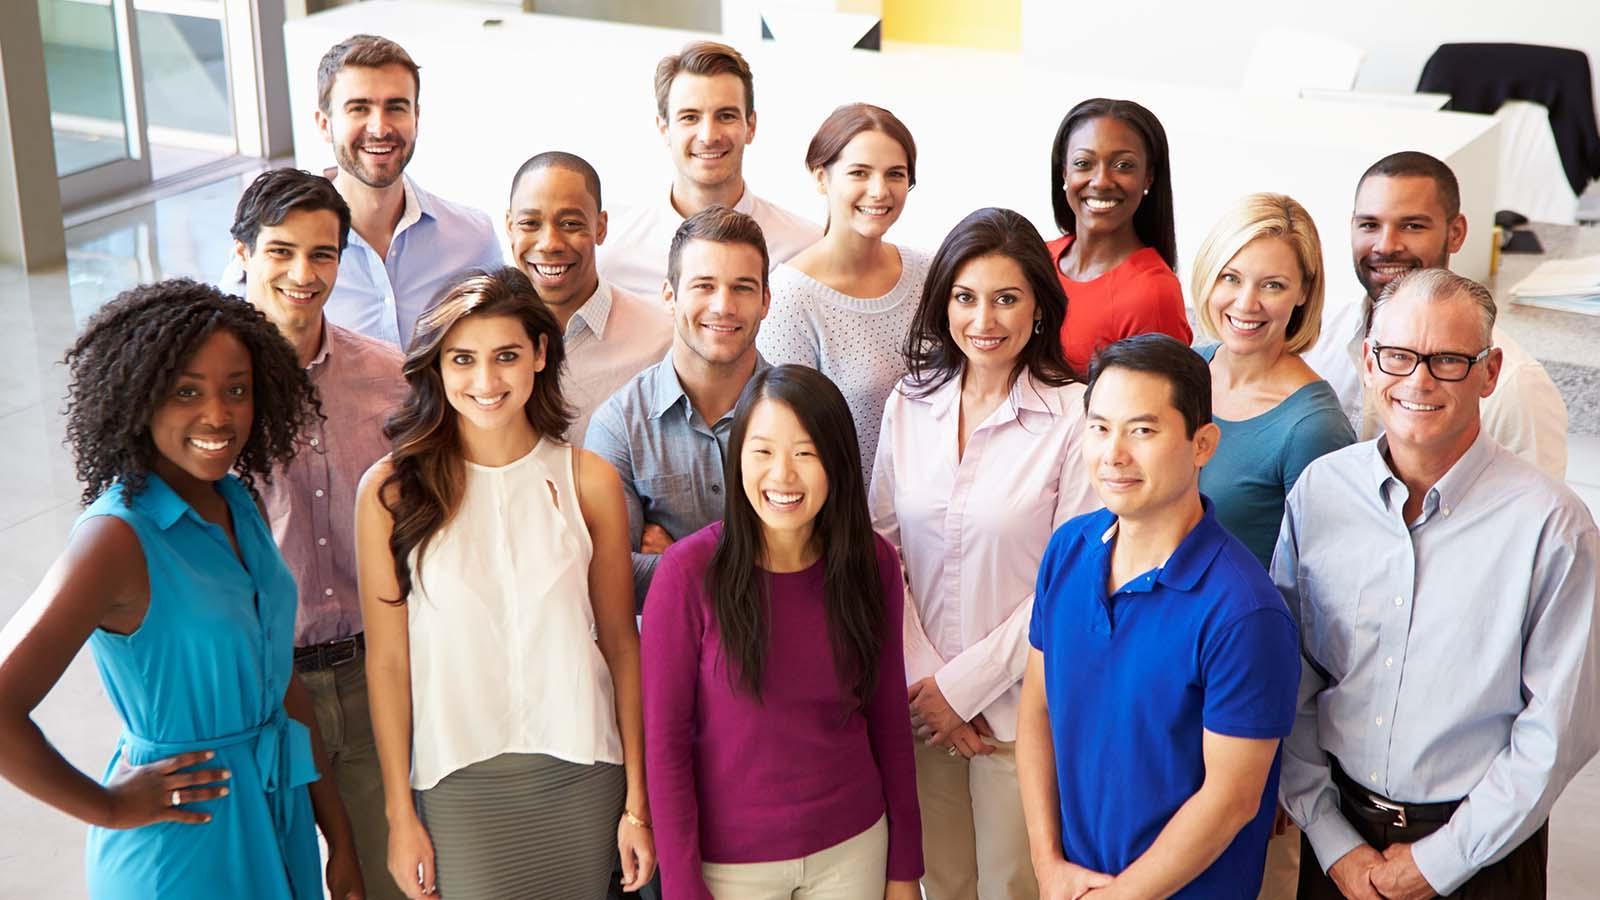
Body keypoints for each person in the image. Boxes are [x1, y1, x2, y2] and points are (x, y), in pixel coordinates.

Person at [0, 280, 362, 899]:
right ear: (140, 399)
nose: (218, 415)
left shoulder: (236, 500)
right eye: (186, 392)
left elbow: (283, 683)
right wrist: (109, 807)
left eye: (237, 390)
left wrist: (340, 839)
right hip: (183, 844)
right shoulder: (116, 538)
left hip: (275, 815)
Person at [1279, 269, 1600, 900]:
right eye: (1397, 356)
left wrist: (1439, 862)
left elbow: (1558, 731)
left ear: (1489, 371)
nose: (1418, 380)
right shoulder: (1320, 494)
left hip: (1483, 856)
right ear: (1369, 362)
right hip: (1339, 841)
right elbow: (1292, 679)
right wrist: (1329, 837)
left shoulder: (1553, 527)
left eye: (1449, 359)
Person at [354, 268, 653, 899]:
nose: (485, 382)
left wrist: (637, 804)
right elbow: (386, 664)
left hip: (584, 774)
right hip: (456, 783)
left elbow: (622, 647)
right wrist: (398, 815)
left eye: (507, 356)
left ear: (540, 356)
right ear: (436, 367)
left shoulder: (588, 481)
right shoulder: (390, 492)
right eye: (462, 359)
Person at [1017, 333, 1300, 899]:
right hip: (1073, 883)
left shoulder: (1245, 612)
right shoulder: (1068, 550)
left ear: (1203, 444)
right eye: (1100, 427)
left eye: (1142, 431)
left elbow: (1231, 800)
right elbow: (1037, 713)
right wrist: (1048, 866)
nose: (1113, 454)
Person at [869, 206, 1096, 899]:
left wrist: (964, 688)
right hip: (917, 708)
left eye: (1006, 298)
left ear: (1039, 307)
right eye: (966, 297)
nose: (984, 319)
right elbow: (881, 551)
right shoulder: (909, 403)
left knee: (1012, 889)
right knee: (935, 887)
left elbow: (1071, 581)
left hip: (1022, 714)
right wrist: (930, 686)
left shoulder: (1078, 414)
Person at [642, 364, 923, 899]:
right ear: (737, 457)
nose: (783, 476)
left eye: (805, 453)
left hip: (854, 849)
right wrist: (681, 887)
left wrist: (904, 867)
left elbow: (889, 719)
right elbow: (666, 747)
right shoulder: (685, 574)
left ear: (837, 463)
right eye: (763, 451)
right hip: (731, 867)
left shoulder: (873, 563)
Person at [229, 167, 409, 900]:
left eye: (323, 254)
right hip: (262, 686)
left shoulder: (391, 377)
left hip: (373, 678)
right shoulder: (205, 390)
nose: (303, 274)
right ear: (243, 252)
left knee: (383, 880)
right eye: (280, 251)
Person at [1301, 150, 1568, 480]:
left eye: (1412, 225)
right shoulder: (1316, 337)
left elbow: (1535, 519)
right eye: (1369, 224)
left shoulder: (1515, 384)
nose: (1386, 245)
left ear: (1455, 233)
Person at [586, 205, 772, 603]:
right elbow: (611, 576)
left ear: (766, 301)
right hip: (668, 658)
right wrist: (760, 565)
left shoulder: (804, 412)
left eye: (742, 287)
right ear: (669, 296)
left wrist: (677, 558)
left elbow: (829, 559)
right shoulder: (619, 425)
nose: (723, 306)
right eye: (704, 285)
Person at [267, 34, 502, 346]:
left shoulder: (475, 240)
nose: (379, 128)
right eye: (359, 108)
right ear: (324, 124)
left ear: (416, 117)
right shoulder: (276, 255)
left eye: (395, 107)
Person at [757, 103, 929, 483]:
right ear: (822, 178)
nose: (879, 191)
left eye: (895, 174)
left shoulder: (930, 274)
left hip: (933, 515)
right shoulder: (791, 298)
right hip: (845, 523)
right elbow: (784, 438)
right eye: (859, 173)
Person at [1190, 193, 1355, 570]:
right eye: (1231, 278)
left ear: (1303, 292)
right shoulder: (1182, 371)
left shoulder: (1314, 428)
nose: (1246, 304)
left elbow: (1323, 578)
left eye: (1273, 285)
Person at [597, 40, 820, 298]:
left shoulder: (804, 250)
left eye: (726, 116)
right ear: (664, 129)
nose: (708, 135)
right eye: (690, 117)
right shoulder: (613, 254)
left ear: (751, 126)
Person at [506, 151, 672, 445]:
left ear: (600, 227)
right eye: (530, 223)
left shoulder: (662, 343)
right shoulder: (477, 338)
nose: (550, 244)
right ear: (509, 227)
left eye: (570, 224)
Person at [1048, 98, 1190, 375]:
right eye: (1083, 163)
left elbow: (1159, 410)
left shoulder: (1152, 294)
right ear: (1064, 171)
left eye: (1124, 165)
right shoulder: (1038, 258)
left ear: (1148, 177)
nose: (1101, 181)